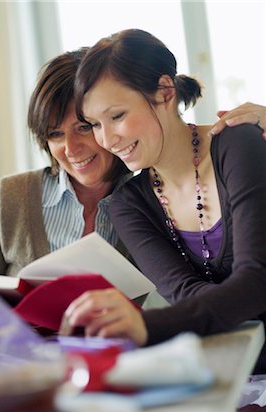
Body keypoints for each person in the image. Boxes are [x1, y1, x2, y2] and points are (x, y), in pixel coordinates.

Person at [60, 29, 266, 375]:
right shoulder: (128, 204)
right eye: (95, 124)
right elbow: (187, 297)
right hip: (234, 370)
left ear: (165, 92)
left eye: (118, 116)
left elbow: (256, 280)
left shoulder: (237, 142)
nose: (107, 139)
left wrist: (145, 326)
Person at [0, 46, 265, 278]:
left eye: (84, 127)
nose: (71, 148)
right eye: (55, 134)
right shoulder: (10, 197)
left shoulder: (147, 199)